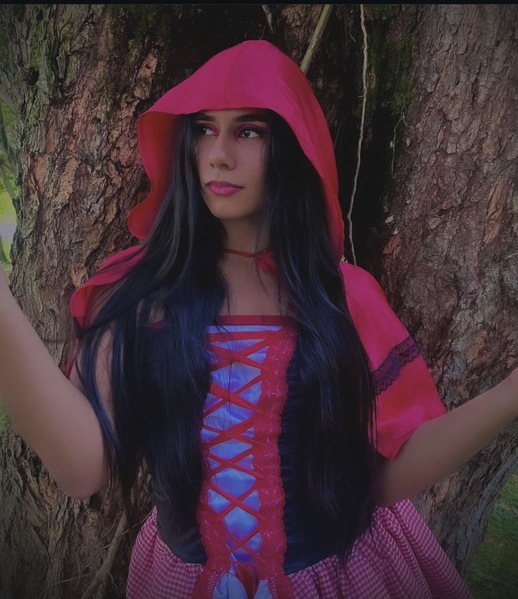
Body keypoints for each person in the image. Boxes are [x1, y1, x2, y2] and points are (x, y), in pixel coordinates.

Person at [0, 39, 516, 599]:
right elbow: (82, 472)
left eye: (250, 131)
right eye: (203, 129)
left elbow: (385, 478)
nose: (219, 155)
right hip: (182, 579)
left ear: (292, 147)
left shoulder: (341, 296)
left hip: (339, 576)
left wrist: (510, 394)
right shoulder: (136, 291)